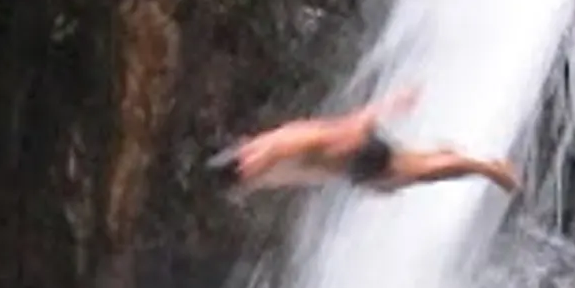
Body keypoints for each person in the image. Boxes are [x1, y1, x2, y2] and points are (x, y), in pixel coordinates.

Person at [203, 85, 520, 197]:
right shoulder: (265, 147)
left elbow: (334, 132)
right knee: (402, 177)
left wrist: (383, 107)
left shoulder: (272, 150)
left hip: (358, 156)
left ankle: (489, 169)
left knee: (419, 174)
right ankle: (447, 156)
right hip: (353, 164)